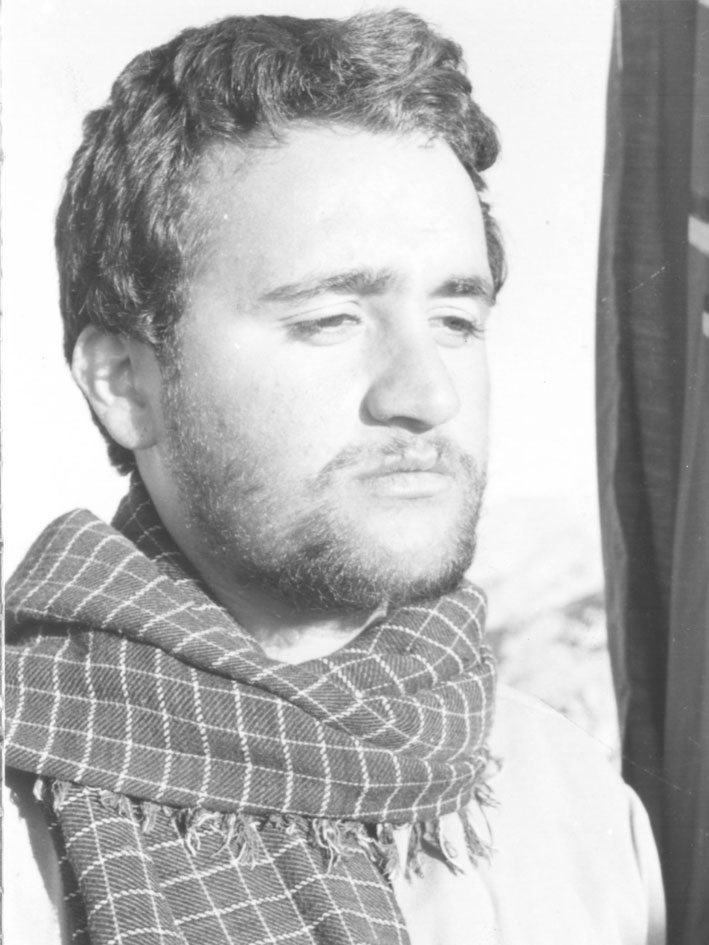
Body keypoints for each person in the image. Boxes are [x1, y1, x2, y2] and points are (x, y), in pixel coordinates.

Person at [4, 10, 665, 945]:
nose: (427, 393)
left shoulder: (573, 804)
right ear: (124, 383)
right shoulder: (20, 821)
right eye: (329, 320)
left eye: (454, 320)